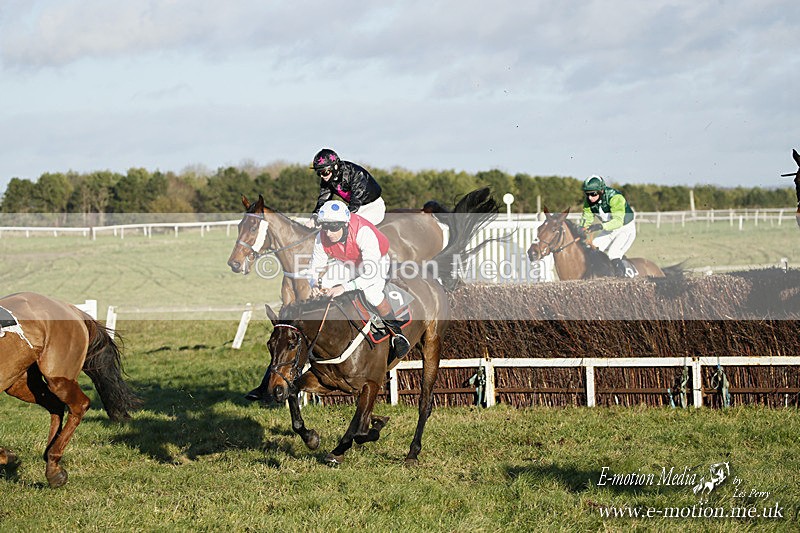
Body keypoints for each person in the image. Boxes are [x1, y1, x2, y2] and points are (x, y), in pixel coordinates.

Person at [309, 199, 410, 359]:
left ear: (345, 225)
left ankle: (397, 334)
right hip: (348, 261)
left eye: (333, 227)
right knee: (326, 284)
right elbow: (315, 266)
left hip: (376, 262)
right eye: (325, 226)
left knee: (372, 294)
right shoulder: (322, 237)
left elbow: (369, 274)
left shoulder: (363, 232)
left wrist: (343, 287)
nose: (328, 233)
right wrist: (314, 283)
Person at [305, 148, 386, 227]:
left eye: (324, 172)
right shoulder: (328, 178)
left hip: (371, 207)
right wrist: (315, 216)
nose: (322, 176)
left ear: (335, 167)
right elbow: (323, 199)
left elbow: (355, 203)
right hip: (356, 208)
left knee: (348, 228)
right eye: (319, 173)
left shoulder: (356, 174)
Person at [579, 175, 637, 277]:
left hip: (625, 229)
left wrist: (600, 226)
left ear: (601, 190)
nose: (590, 197)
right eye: (587, 194)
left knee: (613, 253)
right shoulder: (589, 202)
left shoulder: (615, 197)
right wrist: (581, 228)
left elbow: (618, 222)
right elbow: (586, 219)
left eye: (593, 194)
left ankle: (622, 280)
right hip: (609, 230)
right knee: (591, 250)